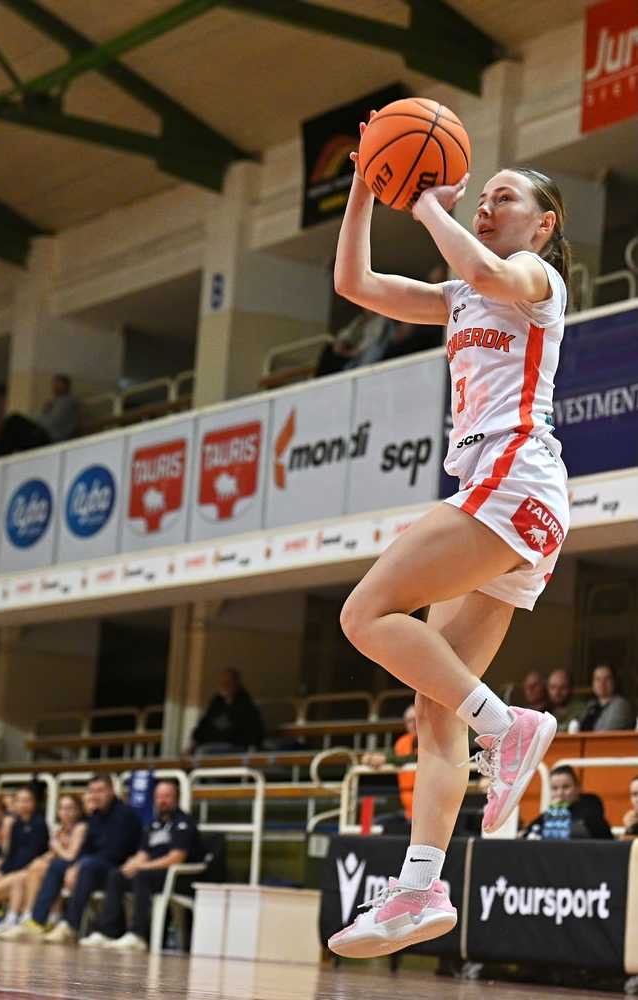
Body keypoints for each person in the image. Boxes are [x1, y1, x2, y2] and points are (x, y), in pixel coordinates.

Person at [328, 109, 570, 960]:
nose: (487, 204)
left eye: (503, 197)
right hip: (508, 497)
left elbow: (488, 272)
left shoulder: (534, 276)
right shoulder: (459, 294)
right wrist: (367, 186)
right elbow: (355, 284)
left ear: (543, 224)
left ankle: (509, 727)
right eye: (483, 197)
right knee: (434, 704)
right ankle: (421, 887)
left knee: (364, 615)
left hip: (515, 476)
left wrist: (425, 199)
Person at [79, 780, 204, 953]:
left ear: (176, 798)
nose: (162, 801)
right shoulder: (153, 825)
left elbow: (176, 857)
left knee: (141, 876)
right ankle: (108, 932)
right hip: (151, 872)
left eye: (167, 796)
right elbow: (143, 853)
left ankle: (138, 935)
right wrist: (132, 864)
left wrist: (143, 867)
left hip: (176, 877)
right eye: (159, 797)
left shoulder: (184, 823)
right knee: (117, 875)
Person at [14, 774, 141, 944]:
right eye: (92, 791)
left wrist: (78, 866)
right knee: (57, 866)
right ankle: (37, 921)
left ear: (111, 791)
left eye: (100, 791)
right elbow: (85, 848)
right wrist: (73, 866)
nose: (95, 795)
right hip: (93, 865)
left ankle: (70, 926)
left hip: (117, 870)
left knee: (87, 865)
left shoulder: (125, 814)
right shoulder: (96, 815)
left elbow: (115, 853)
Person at [0, 794, 87, 940]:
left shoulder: (80, 828)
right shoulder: (59, 830)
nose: (65, 812)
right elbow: (52, 853)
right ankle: (29, 916)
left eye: (70, 808)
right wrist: (41, 859)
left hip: (75, 868)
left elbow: (71, 856)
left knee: (40, 870)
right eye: (62, 808)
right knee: (33, 868)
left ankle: (34, 916)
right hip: (58, 867)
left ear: (78, 811)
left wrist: (56, 847)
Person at [0, 787, 49, 934]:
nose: (22, 804)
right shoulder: (17, 824)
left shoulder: (38, 823)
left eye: (26, 800)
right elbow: (11, 856)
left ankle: (10, 920)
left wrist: (3, 873)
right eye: (19, 801)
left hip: (28, 871)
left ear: (34, 803)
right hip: (15, 869)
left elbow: (30, 856)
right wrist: (1, 873)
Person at [0, 373, 79, 457]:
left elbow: (51, 422)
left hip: (51, 437)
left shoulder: (67, 402)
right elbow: (43, 418)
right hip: (44, 433)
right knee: (13, 431)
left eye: (58, 384)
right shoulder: (54, 401)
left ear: (66, 386)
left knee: (15, 420)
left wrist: (33, 419)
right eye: (54, 384)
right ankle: (0, 454)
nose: (55, 387)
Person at [362, 704, 418, 832]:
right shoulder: (402, 742)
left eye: (416, 719)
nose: (413, 724)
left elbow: (416, 758)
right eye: (409, 721)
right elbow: (392, 755)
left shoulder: (431, 739)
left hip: (428, 812)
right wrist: (371, 758)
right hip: (407, 812)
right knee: (376, 825)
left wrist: (386, 759)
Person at [184, 668, 264, 755]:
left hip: (235, 747)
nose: (224, 686)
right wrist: (194, 743)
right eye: (222, 683)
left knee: (203, 752)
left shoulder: (247, 706)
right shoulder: (216, 703)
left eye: (228, 683)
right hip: (211, 744)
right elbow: (204, 726)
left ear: (237, 684)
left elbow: (253, 733)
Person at [521, 765, 612, 839]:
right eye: (555, 788)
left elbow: (587, 829)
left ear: (578, 788)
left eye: (566, 787)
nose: (560, 793)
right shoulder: (551, 812)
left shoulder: (591, 805)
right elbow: (530, 832)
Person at [315, 308, 396, 376]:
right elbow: (347, 331)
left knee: (337, 362)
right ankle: (319, 377)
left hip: (361, 351)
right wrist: (340, 342)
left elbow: (372, 339)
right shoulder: (360, 318)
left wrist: (355, 351)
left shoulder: (380, 320)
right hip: (349, 345)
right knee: (329, 350)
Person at [577, 663, 634, 731]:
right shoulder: (590, 706)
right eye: (597, 679)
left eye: (607, 679)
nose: (602, 683)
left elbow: (606, 733)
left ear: (614, 681)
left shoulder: (621, 705)